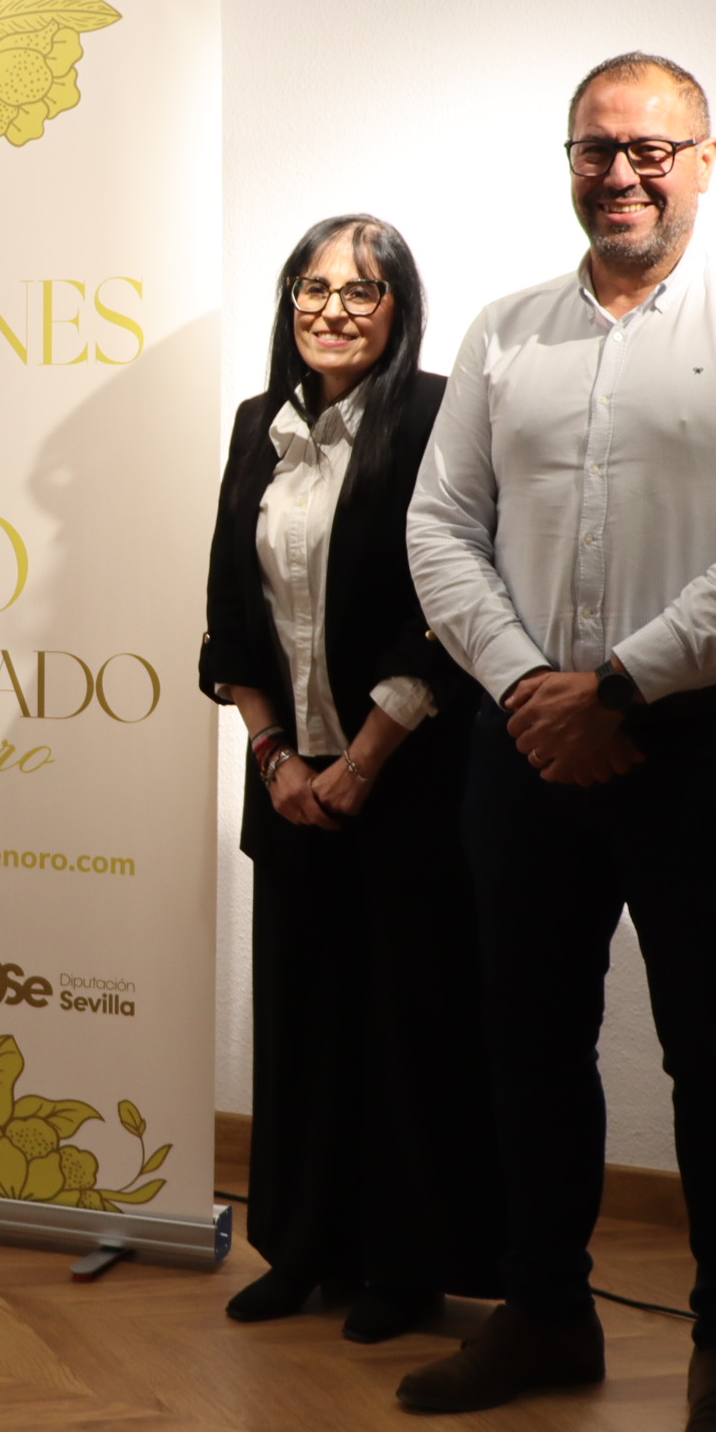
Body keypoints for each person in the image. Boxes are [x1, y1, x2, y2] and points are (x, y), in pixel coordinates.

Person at [404, 52, 716, 1432]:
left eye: (651, 150)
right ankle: (546, 1309)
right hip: (525, 740)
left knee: (715, 1056)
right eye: (597, 149)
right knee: (528, 1040)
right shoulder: (505, 332)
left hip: (707, 745)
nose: (622, 174)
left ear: (705, 160)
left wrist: (617, 684)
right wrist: (534, 690)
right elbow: (438, 527)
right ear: (569, 162)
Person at [199, 214, 501, 1343]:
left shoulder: (436, 418)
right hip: (290, 784)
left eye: (361, 291)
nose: (332, 310)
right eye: (313, 288)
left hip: (410, 780)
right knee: (303, 1020)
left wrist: (364, 758)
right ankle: (305, 1249)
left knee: (407, 1027)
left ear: (398, 309)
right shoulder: (258, 425)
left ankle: (404, 1269)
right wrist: (276, 757)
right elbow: (229, 612)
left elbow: (450, 608)